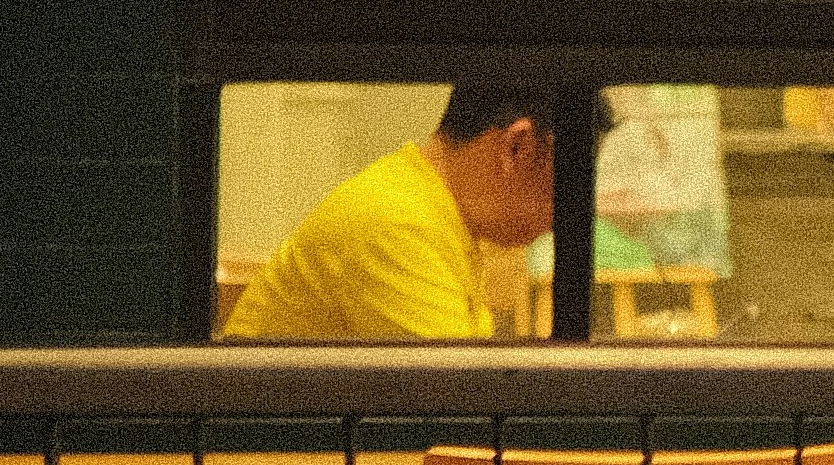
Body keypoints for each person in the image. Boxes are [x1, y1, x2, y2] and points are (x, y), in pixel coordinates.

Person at [223, 87, 582, 340]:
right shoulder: (399, 222)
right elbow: (458, 416)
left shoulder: (433, 208)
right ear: (517, 147)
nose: (558, 220)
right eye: (564, 188)